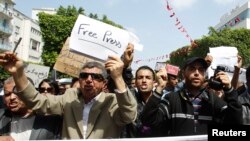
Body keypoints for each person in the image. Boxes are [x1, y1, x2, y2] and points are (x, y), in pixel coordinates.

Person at [0, 51, 137, 139]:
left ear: (104, 83)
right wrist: (18, 72)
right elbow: (37, 101)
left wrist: (118, 77)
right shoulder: (69, 97)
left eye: (95, 77)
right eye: (84, 76)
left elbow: (129, 116)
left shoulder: (112, 101)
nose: (89, 79)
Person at [141, 57, 242, 136]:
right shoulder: (171, 99)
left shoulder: (213, 100)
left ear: (205, 75)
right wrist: (159, 87)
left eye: (201, 70)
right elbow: (148, 121)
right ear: (184, 73)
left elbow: (235, 122)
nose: (197, 73)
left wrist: (229, 90)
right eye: (192, 69)